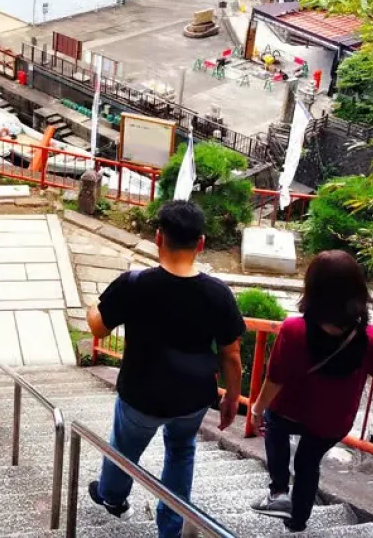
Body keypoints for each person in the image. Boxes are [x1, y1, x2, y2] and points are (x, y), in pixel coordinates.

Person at [86, 199, 245, 538]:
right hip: (193, 398)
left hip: (141, 394)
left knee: (124, 449)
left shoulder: (133, 284)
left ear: (159, 238)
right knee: (181, 452)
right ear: (200, 244)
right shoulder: (219, 294)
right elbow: (231, 355)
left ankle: (112, 497)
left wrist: (90, 307)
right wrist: (232, 398)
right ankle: (170, 528)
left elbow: (98, 328)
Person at [250, 250, 373, 532]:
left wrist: (257, 409)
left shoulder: (294, 329)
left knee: (273, 423)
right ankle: (297, 523)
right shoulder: (372, 339)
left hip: (288, 411)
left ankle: (279, 492)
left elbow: (275, 379)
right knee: (308, 463)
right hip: (331, 422)